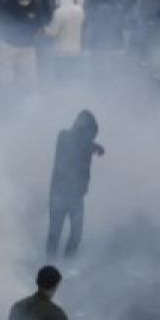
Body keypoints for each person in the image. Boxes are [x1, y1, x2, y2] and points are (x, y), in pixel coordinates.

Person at [46, 110, 104, 258]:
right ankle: (49, 266)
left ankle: (66, 265)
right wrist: (95, 146)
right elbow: (78, 142)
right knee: (55, 233)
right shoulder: (64, 136)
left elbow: (85, 144)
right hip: (59, 195)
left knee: (76, 235)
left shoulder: (85, 143)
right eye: (91, 132)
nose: (93, 136)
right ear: (83, 128)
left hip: (76, 197)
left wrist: (95, 146)